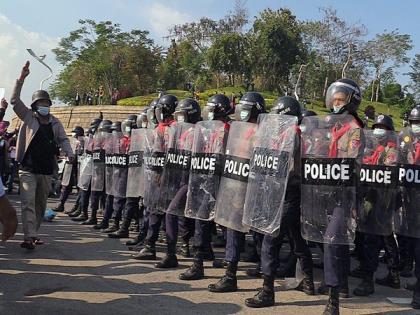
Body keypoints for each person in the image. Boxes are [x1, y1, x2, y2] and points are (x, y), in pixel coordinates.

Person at [11, 61, 74, 250]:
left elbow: (63, 140)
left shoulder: (55, 123)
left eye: (46, 103)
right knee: (27, 203)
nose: (44, 105)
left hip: (46, 170)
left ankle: (34, 233)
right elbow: (14, 101)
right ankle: (29, 236)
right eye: (40, 103)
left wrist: (70, 153)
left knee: (40, 205)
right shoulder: (28, 116)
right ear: (35, 106)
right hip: (28, 169)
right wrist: (21, 78)